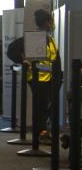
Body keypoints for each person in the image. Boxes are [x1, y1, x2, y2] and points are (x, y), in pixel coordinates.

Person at [28, 8, 62, 140]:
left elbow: (56, 59)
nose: (51, 24)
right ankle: (40, 133)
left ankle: (43, 131)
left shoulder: (51, 40)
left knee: (47, 107)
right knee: (40, 107)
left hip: (51, 78)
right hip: (37, 78)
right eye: (50, 21)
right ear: (44, 23)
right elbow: (34, 60)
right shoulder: (35, 38)